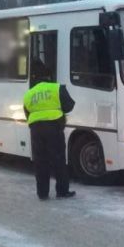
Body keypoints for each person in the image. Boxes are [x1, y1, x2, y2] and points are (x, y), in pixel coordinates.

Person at [23, 60, 76, 200]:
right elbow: (69, 105)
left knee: (40, 161)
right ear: (48, 77)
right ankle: (62, 191)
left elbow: (27, 112)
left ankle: (42, 193)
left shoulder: (29, 94)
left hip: (36, 129)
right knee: (58, 159)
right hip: (54, 127)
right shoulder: (57, 88)